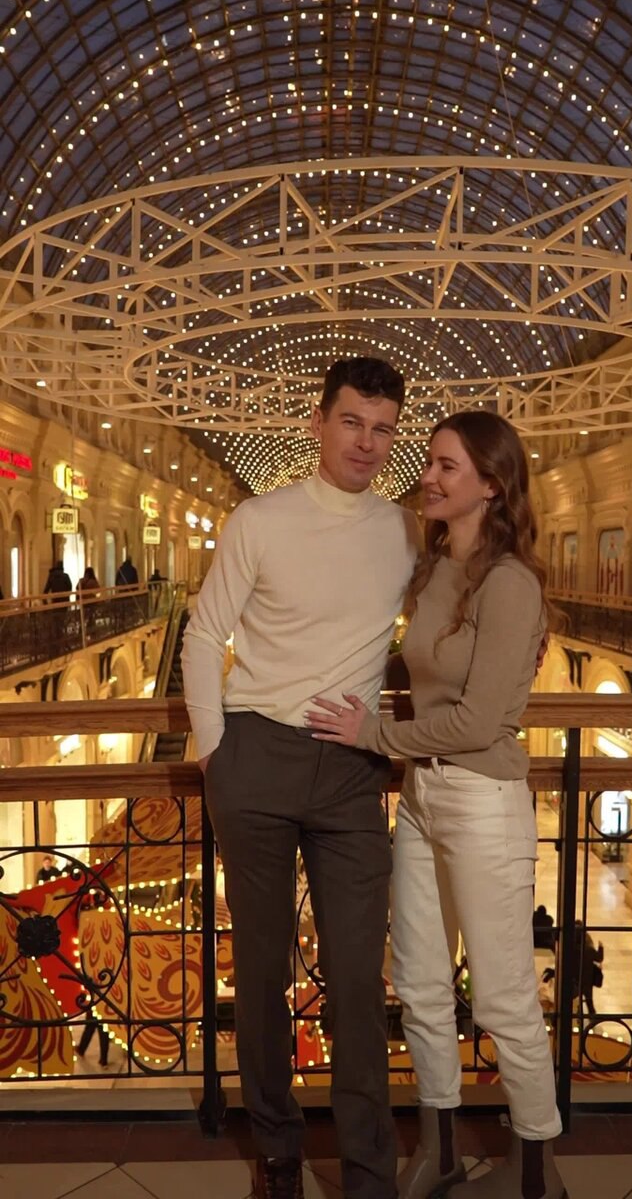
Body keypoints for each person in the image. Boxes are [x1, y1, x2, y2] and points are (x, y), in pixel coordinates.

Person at [306, 412, 566, 1199]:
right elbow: (422, 674)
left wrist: (373, 733)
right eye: (429, 461)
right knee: (418, 983)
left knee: (503, 996)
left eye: (447, 466)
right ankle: (439, 1149)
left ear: (491, 485)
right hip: (422, 796)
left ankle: (535, 1174)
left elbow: (479, 721)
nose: (428, 476)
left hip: (482, 799)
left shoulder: (508, 582)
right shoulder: (435, 570)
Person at [181, 357, 419, 1199]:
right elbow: (204, 634)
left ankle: (368, 1168)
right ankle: (278, 1148)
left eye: (382, 429)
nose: (366, 442)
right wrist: (215, 750)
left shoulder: (403, 531)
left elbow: (458, 596)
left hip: (352, 771)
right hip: (255, 757)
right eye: (351, 421)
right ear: (318, 424)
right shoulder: (261, 519)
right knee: (262, 972)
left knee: (356, 977)